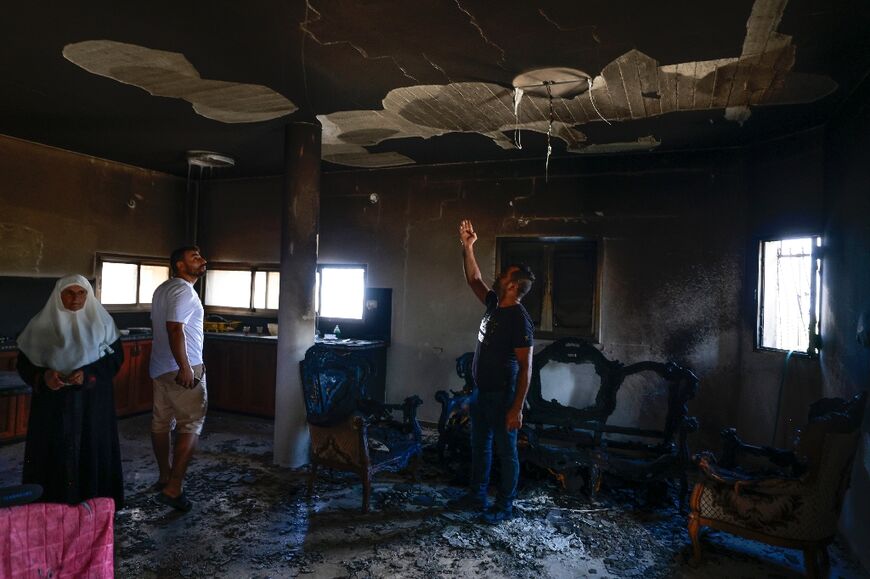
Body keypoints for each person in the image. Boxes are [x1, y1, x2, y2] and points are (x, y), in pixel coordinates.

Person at [452, 218, 535, 524]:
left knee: (506, 453)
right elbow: (474, 279)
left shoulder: (519, 319)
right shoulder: (495, 305)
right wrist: (468, 246)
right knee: (480, 447)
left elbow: (527, 366)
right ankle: (476, 496)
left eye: (504, 274)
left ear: (513, 285)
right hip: (482, 393)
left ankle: (504, 506)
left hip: (503, 397)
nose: (498, 275)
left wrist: (516, 409)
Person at [16, 275, 125, 507]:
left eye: (81, 293)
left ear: (88, 295)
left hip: (92, 403)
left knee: (92, 449)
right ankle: (52, 507)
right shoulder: (40, 325)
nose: (76, 298)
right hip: (52, 404)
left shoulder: (103, 324)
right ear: (58, 295)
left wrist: (88, 375)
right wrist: (43, 377)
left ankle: (96, 507)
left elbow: (115, 360)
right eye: (69, 293)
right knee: (52, 453)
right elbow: (24, 364)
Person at [150, 246, 207, 512]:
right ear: (180, 265)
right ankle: (174, 488)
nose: (202, 261)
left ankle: (164, 476)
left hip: (160, 368)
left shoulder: (164, 288)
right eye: (195, 258)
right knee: (191, 424)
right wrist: (185, 366)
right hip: (182, 369)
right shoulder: (184, 291)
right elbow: (175, 329)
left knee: (161, 423)